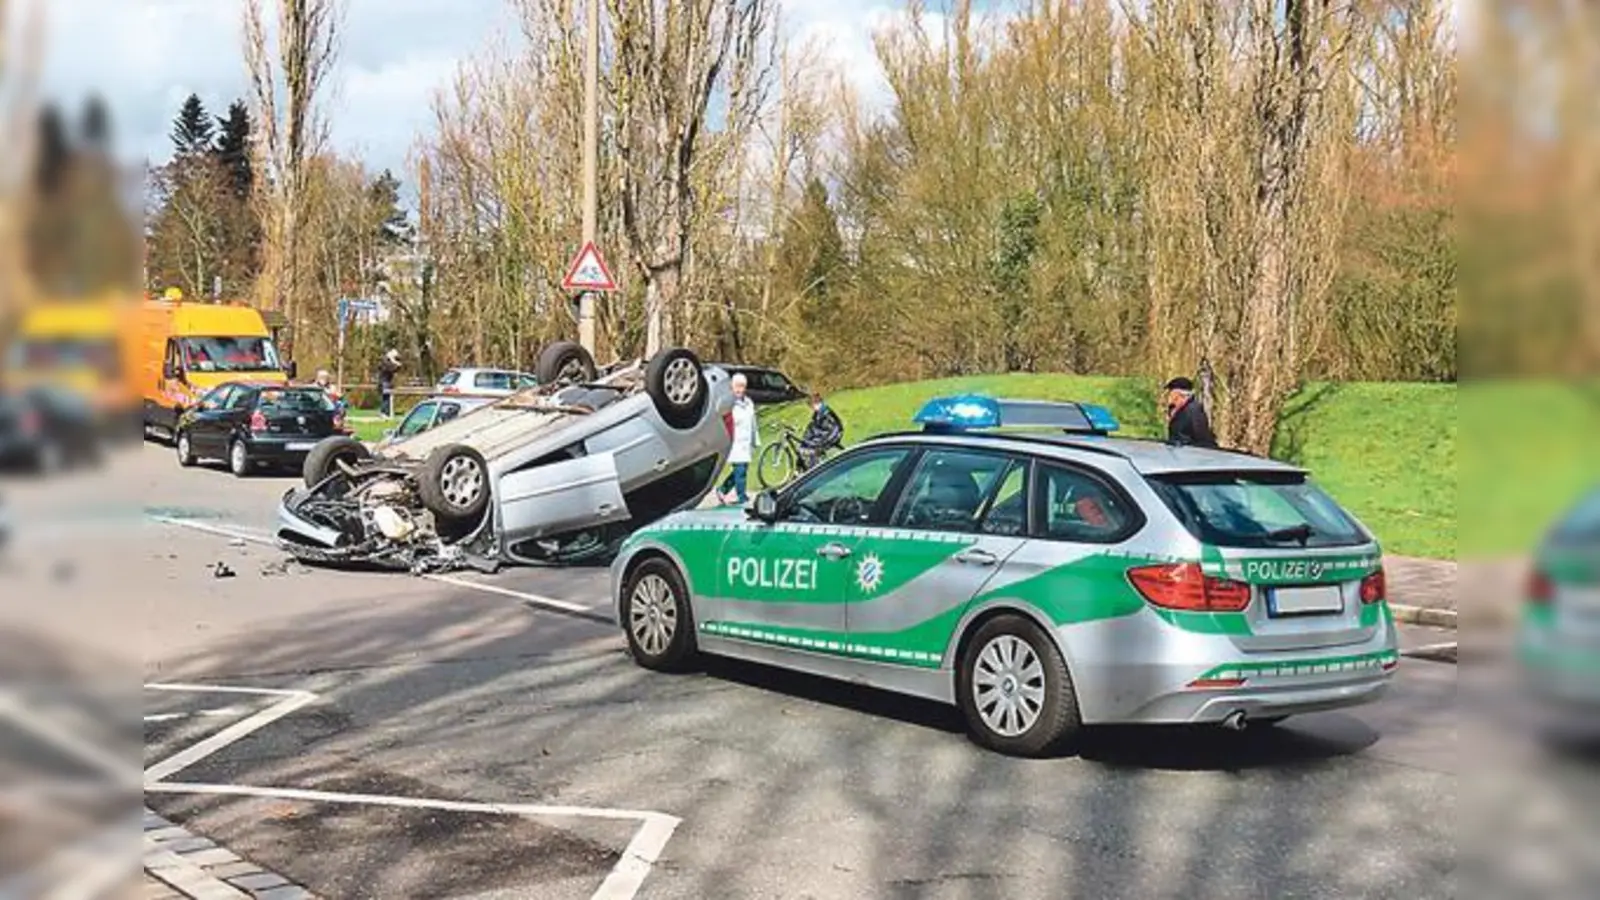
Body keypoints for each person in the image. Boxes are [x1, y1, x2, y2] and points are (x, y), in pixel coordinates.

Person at [719, 372, 758, 505]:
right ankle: (742, 497)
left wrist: (755, 440)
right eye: (737, 386)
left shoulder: (749, 403)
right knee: (740, 471)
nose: (740, 389)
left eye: (742, 386)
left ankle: (722, 489)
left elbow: (753, 423)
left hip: (746, 443)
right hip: (734, 443)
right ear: (732, 387)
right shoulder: (728, 404)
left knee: (740, 470)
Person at [1163, 376, 1218, 448]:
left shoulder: (1193, 411)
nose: (1169, 395)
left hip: (1191, 454)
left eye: (1171, 392)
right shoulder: (1176, 409)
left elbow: (1202, 438)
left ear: (1177, 394)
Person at [798, 391, 844, 472]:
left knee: (814, 447)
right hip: (825, 433)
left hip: (833, 434)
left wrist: (816, 439)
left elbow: (832, 428)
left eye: (811, 405)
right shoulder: (818, 413)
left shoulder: (826, 412)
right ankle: (806, 467)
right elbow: (813, 427)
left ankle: (814, 469)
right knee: (806, 445)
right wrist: (806, 438)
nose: (811, 407)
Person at [377, 349, 401, 418]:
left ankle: (386, 412)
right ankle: (383, 412)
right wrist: (395, 363)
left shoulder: (388, 361)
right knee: (385, 398)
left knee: (387, 398)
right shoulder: (386, 361)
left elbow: (395, 370)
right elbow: (390, 369)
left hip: (387, 381)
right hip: (384, 381)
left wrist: (396, 364)